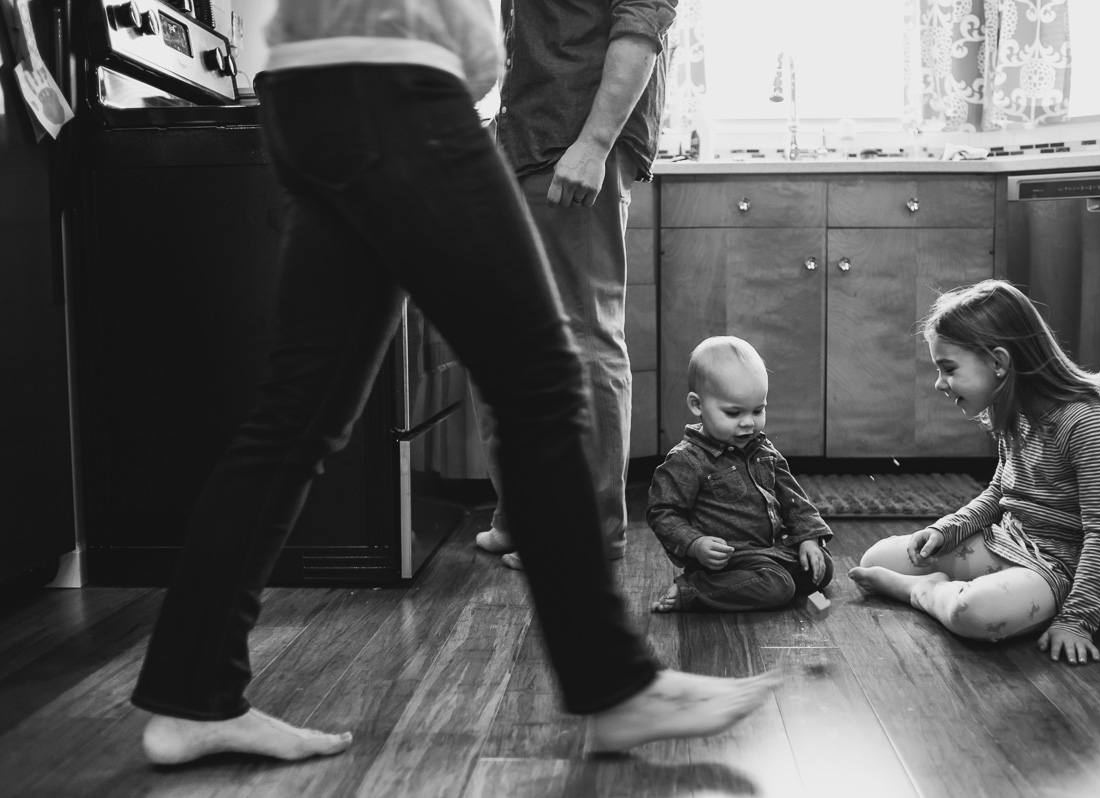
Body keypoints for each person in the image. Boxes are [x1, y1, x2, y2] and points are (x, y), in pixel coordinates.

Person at [129, 0, 776, 765]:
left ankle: (190, 693)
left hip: (304, 86)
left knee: (297, 417)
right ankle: (615, 685)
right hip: (390, 79)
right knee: (540, 378)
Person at [473, 0, 676, 571]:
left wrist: (594, 143)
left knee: (581, 337)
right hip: (522, 139)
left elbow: (643, 20)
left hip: (572, 141)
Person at [849, 280, 1100, 665]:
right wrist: (946, 529)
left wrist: (1077, 620)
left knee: (974, 613)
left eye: (948, 368)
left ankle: (926, 593)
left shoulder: (1088, 420)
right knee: (875, 559)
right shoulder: (1015, 411)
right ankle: (958, 585)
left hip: (1060, 567)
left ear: (999, 363)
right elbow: (1000, 492)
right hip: (1007, 541)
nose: (938, 383)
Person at [646, 336, 833, 612]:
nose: (748, 422)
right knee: (777, 586)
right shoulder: (688, 459)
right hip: (730, 560)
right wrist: (695, 544)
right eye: (734, 413)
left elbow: (794, 500)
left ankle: (764, 579)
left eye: (758, 410)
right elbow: (662, 511)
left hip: (773, 550)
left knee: (822, 567)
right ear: (698, 405)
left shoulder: (764, 450)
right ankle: (695, 589)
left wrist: (809, 538)